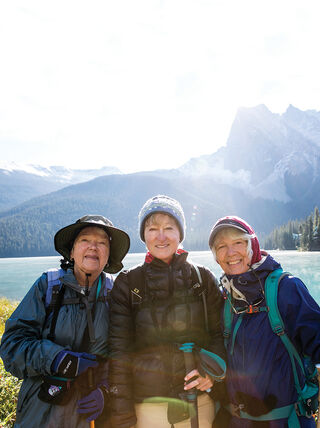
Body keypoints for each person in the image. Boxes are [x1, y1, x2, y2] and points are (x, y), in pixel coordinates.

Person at [0, 214, 130, 428]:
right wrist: (57, 358)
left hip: (95, 418)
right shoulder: (48, 286)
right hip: (41, 414)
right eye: (85, 240)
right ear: (71, 251)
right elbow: (11, 347)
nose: (93, 247)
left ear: (109, 256)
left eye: (101, 243)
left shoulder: (117, 292)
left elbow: (127, 355)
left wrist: (107, 391)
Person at [108, 195, 226, 428]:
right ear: (144, 236)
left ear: (180, 234)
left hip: (199, 403)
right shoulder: (128, 283)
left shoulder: (202, 279)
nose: (161, 236)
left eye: (169, 228)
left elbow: (220, 334)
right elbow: (119, 355)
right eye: (152, 229)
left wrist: (210, 374)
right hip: (148, 407)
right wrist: (122, 415)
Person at [208, 215, 320, 428]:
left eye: (238, 243)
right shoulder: (223, 297)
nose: (230, 253)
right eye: (221, 246)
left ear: (253, 245)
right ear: (215, 256)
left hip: (288, 421)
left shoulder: (287, 289)